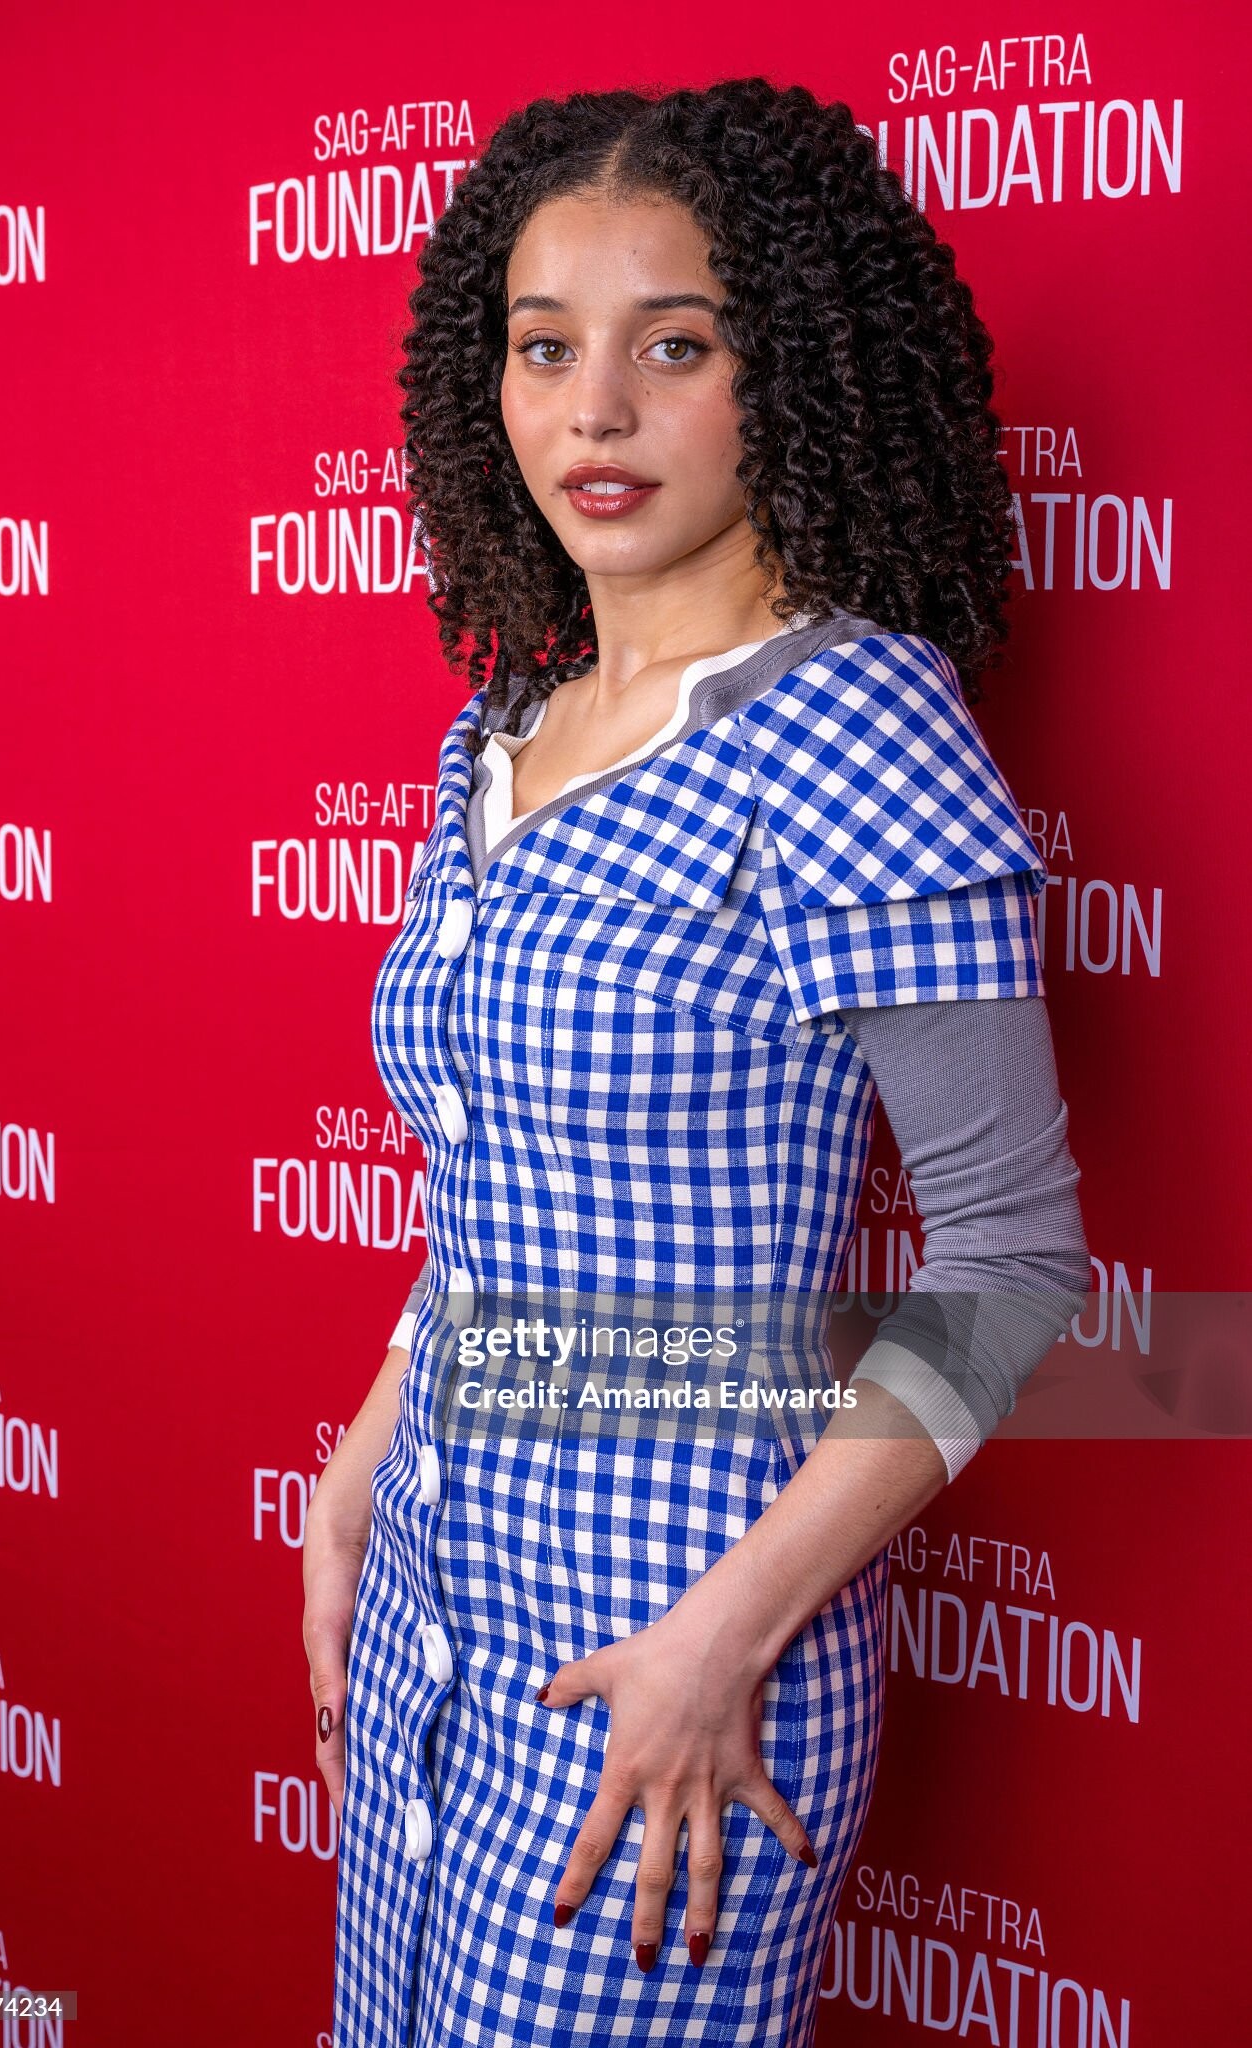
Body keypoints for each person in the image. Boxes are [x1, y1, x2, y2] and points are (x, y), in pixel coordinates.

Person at [303, 77, 1090, 2048]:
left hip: (669, 1646)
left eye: (674, 346)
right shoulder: (498, 735)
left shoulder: (854, 728)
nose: (595, 410)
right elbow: (485, 1185)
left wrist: (714, 1643)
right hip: (429, 1612)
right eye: (543, 348)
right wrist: (358, 1464)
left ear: (787, 375)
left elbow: (1007, 1266)